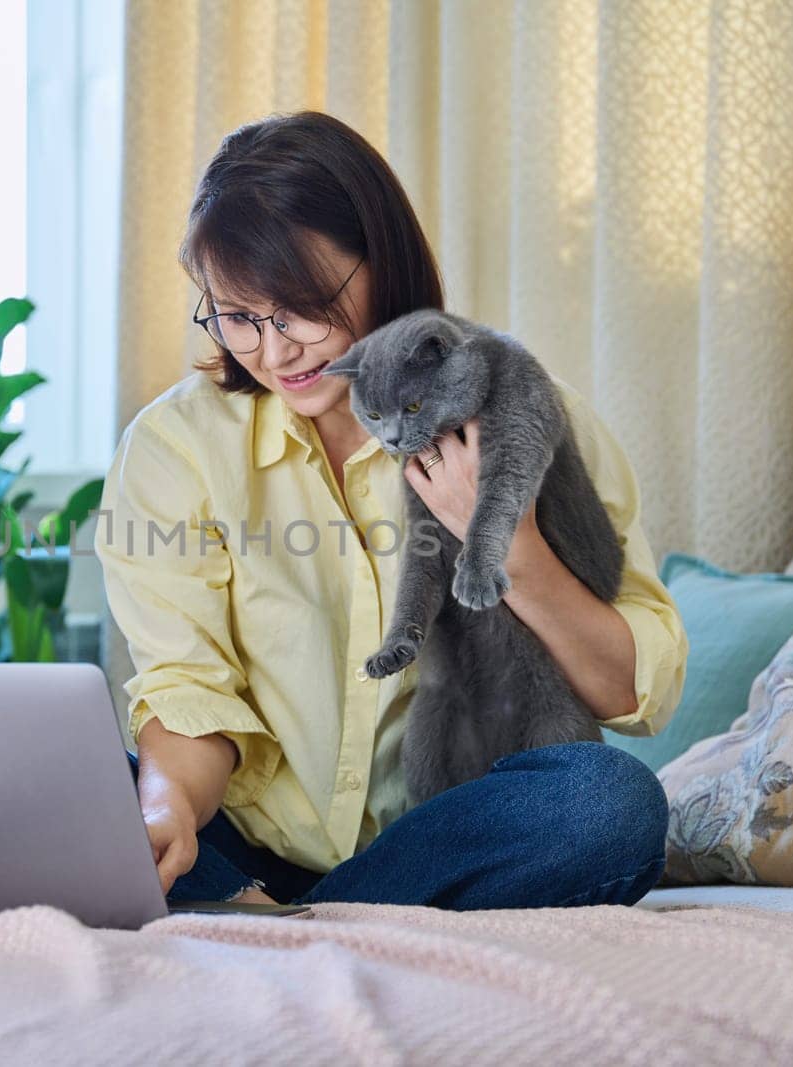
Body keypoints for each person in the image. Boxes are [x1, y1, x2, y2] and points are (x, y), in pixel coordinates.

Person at [93, 111, 688, 910]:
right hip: (238, 836)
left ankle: (291, 918)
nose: (275, 353)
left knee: (609, 802)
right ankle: (302, 907)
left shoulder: (527, 412)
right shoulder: (175, 446)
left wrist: (509, 544)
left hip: (439, 837)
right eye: (237, 316)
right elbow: (189, 697)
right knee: (75, 783)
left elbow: (630, 691)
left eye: (300, 307)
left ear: (384, 261)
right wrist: (165, 809)